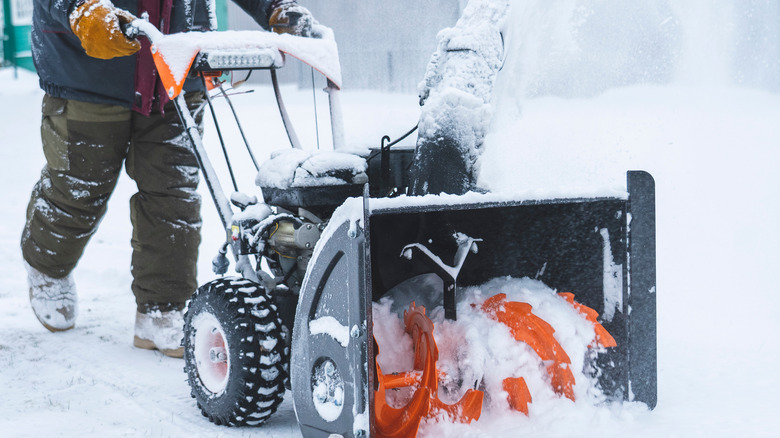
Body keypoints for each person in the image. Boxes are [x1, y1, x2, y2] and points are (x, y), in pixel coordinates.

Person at [23, 0, 318, 357]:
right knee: (81, 188)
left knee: (173, 195)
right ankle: (47, 266)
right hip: (88, 66)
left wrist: (273, 6)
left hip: (177, 62)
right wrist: (77, 8)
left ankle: (162, 308)